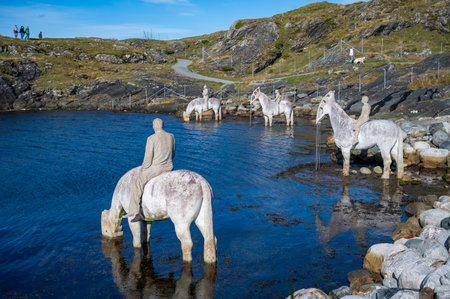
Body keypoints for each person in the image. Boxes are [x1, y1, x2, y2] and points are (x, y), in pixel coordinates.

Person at [129, 118, 176, 222]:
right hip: (169, 167)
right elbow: (173, 153)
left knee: (137, 183)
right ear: (162, 126)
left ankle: (134, 211)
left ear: (154, 126)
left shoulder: (151, 138)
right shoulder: (171, 136)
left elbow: (148, 158)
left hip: (156, 168)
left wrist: (143, 169)